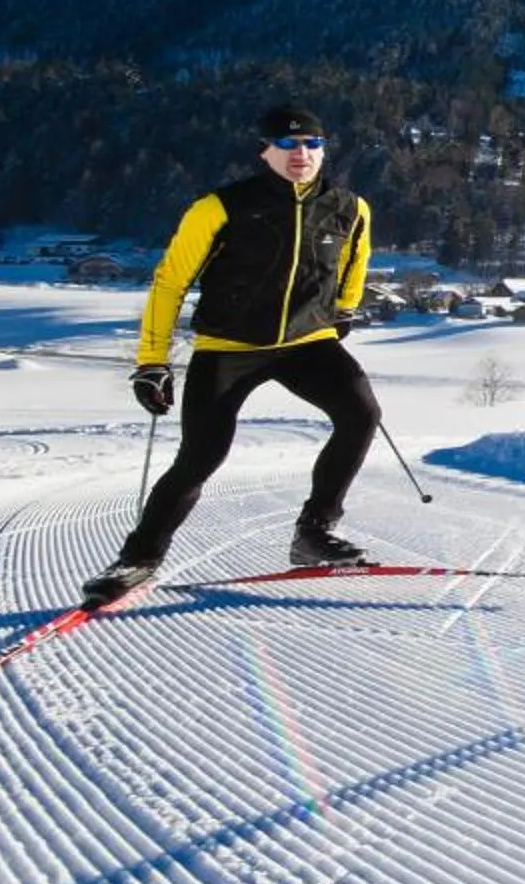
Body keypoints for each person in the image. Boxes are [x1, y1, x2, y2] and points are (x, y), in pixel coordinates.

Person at [79, 101, 382, 604]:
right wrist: (152, 362)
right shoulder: (219, 208)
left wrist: (344, 308)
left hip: (308, 342)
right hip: (229, 348)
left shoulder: (351, 207)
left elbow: (356, 260)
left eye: (311, 143)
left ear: (324, 150)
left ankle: (315, 531)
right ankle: (138, 558)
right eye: (286, 144)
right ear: (264, 151)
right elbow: (170, 281)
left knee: (361, 413)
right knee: (200, 457)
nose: (300, 153)